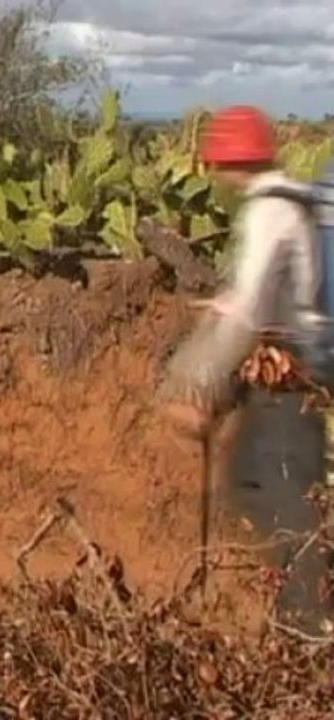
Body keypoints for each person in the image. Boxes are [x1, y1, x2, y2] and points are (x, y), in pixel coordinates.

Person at [159, 104, 332, 635]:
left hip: (292, 372)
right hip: (295, 369)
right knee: (256, 480)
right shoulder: (293, 199)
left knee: (280, 496)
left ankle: (306, 628)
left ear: (234, 160)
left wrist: (198, 381)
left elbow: (251, 309)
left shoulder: (267, 211)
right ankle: (300, 615)